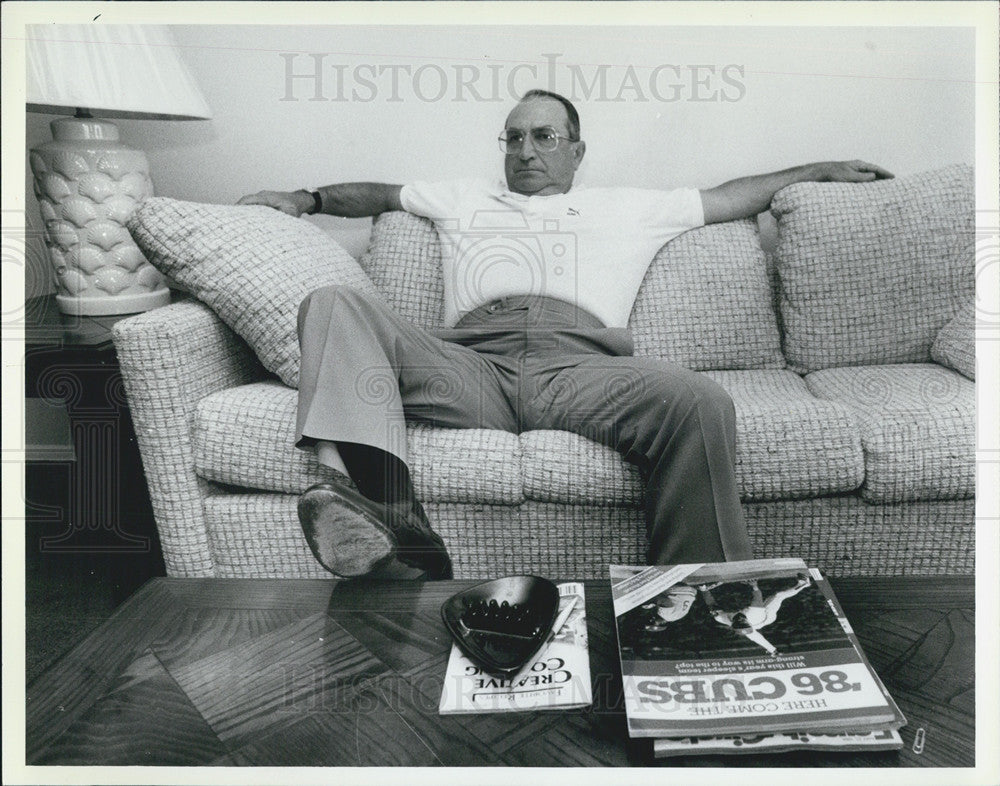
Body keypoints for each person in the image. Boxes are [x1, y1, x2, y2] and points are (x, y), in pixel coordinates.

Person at [239, 89, 893, 581]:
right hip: (469, 365)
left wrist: (820, 168)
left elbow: (732, 196)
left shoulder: (632, 207)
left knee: (700, 401)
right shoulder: (462, 196)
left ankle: (697, 592)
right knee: (332, 303)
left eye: (544, 136)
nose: (525, 150)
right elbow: (374, 192)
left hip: (581, 369)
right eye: (513, 137)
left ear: (576, 151)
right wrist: (304, 199)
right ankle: (386, 520)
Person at [698, 574, 813, 655]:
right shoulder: (753, 614)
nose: (741, 620)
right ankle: (804, 584)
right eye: (744, 622)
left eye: (739, 622)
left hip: (753, 623)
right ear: (748, 623)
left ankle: (772, 650)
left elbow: (711, 603)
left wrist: (704, 590)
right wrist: (754, 585)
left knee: (755, 636)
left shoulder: (721, 618)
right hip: (766, 617)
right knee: (777, 596)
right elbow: (757, 597)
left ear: (733, 624)